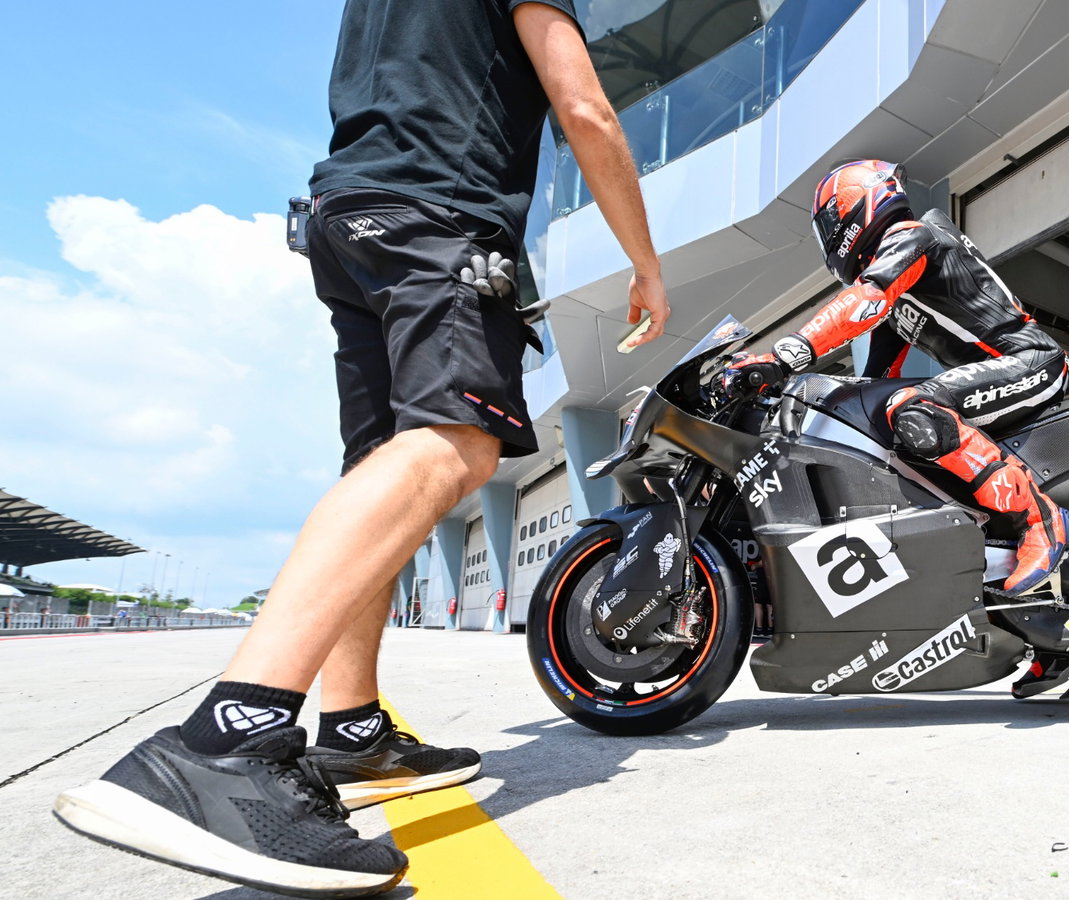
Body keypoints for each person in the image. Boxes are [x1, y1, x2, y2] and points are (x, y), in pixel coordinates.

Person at [53, 2, 667, 897]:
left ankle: (352, 730)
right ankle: (231, 736)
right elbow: (584, 107)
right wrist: (646, 264)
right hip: (436, 213)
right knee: (459, 448)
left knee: (382, 467)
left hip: (349, 214)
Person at [724, 159, 1069, 596]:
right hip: (1005, 372)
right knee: (886, 425)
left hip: (1031, 361)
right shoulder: (901, 288)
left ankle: (1042, 519)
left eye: (830, 221)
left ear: (855, 207)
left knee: (912, 409)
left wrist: (784, 356)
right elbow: (875, 381)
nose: (829, 236)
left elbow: (864, 300)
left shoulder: (913, 237)